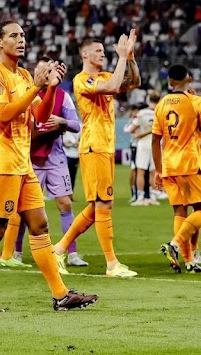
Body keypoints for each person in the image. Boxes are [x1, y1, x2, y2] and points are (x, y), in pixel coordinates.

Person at [0, 21, 97, 313]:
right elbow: (3, 115)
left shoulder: (22, 74)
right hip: (1, 164)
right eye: (13, 35)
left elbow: (40, 115)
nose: (21, 40)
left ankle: (61, 295)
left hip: (23, 165)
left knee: (39, 225)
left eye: (23, 35)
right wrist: (37, 85)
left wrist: (50, 89)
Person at [53, 33, 140, 278]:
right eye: (99, 51)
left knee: (97, 206)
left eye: (104, 51)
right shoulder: (82, 80)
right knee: (103, 205)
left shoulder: (102, 76)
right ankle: (112, 264)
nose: (103, 54)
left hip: (105, 147)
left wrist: (130, 57)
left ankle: (58, 249)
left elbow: (133, 82)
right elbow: (113, 87)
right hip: (94, 146)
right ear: (85, 55)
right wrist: (121, 57)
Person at [20, 57, 88, 268]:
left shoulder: (62, 96)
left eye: (48, 71)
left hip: (55, 158)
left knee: (65, 203)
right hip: (29, 158)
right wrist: (52, 129)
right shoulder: (27, 95)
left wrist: (62, 122)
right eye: (40, 71)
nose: (44, 74)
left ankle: (72, 252)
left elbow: (76, 125)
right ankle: (15, 253)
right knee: (24, 208)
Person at [153, 65, 201, 274]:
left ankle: (188, 261)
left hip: (169, 165)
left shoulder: (161, 104)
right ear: (189, 78)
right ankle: (175, 244)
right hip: (190, 164)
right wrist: (198, 106)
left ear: (170, 82)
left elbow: (155, 140)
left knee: (180, 211)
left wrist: (158, 170)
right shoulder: (195, 102)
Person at [127, 94, 159, 206]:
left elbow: (132, 129)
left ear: (148, 100)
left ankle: (140, 197)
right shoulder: (160, 112)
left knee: (140, 171)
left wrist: (140, 134)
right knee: (153, 172)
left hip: (143, 144)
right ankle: (152, 196)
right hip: (155, 144)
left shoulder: (142, 113)